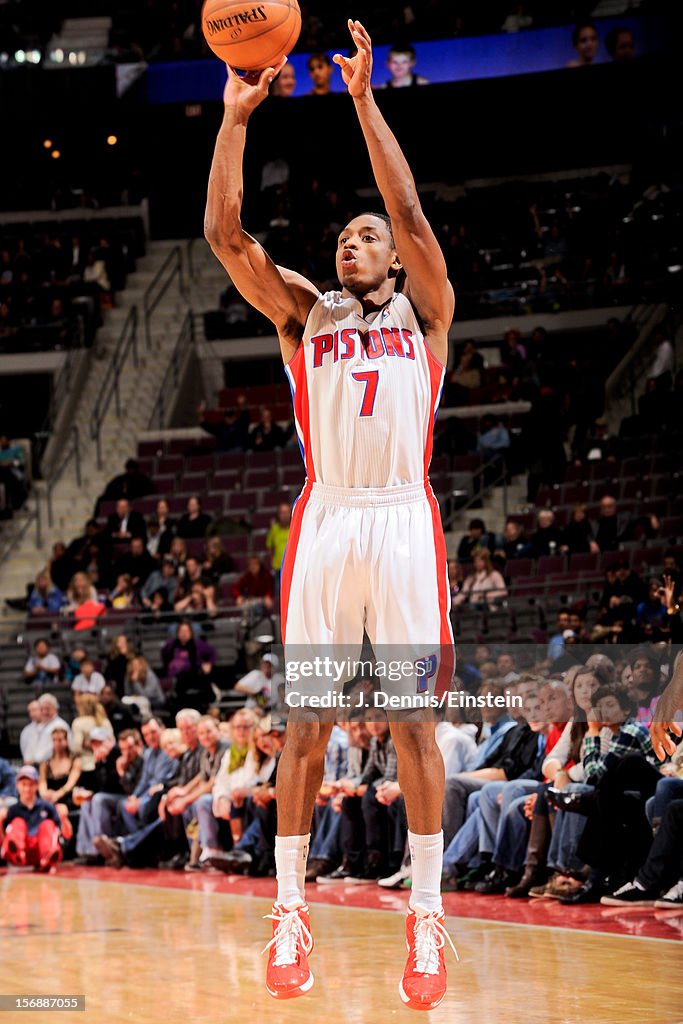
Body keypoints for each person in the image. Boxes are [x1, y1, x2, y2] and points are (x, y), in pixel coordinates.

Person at [205, 19, 456, 1007]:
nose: (350, 240)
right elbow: (227, 234)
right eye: (339, 236)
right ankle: (289, 910)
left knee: (411, 723)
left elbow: (406, 206)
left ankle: (426, 918)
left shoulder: (424, 311)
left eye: (365, 236)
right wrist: (233, 118)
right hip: (327, 521)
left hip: (400, 522)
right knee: (304, 721)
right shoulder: (303, 315)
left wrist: (360, 98)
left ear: (393, 257)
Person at [0, 765, 65, 872]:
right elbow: (2, 840)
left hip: (41, 847)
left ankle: (48, 856)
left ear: (37, 785)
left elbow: (63, 834)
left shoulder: (47, 806)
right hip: (22, 849)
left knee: (48, 824)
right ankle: (17, 854)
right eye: (24, 784)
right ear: (17, 785)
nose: (27, 788)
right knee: (17, 823)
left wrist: (64, 818)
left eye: (31, 784)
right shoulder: (12, 810)